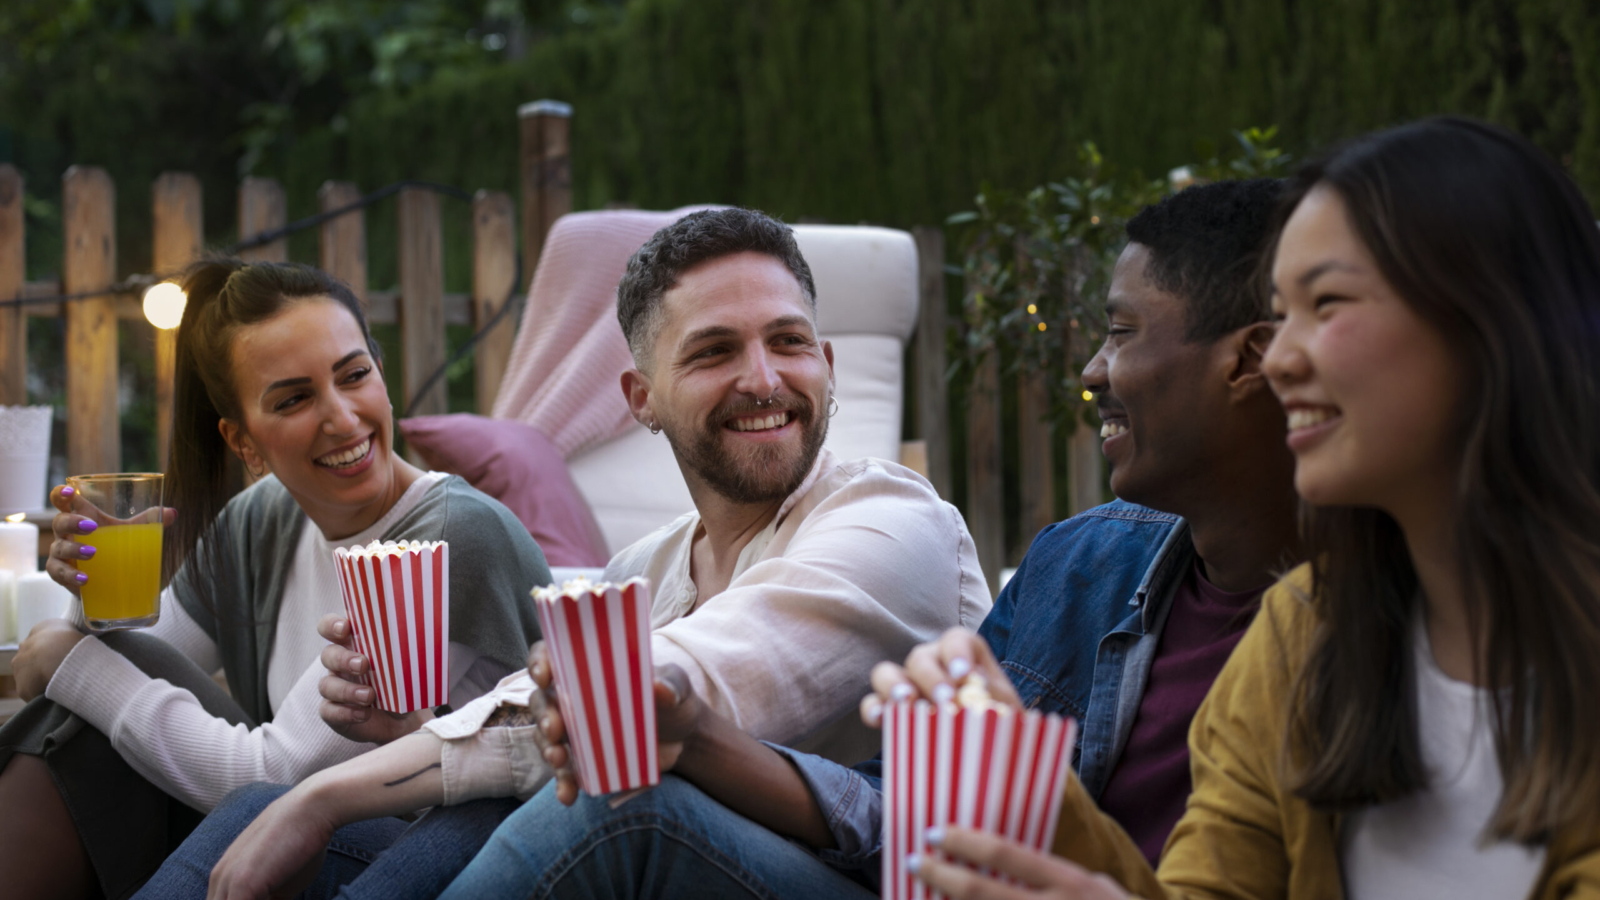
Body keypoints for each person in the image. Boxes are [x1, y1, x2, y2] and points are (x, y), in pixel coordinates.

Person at [429, 177, 1302, 899]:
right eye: (712, 353)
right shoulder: (1084, 563)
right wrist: (694, 736)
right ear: (639, 397)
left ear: (1252, 360)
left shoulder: (1350, 630)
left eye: (1118, 333)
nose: (1090, 371)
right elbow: (905, 817)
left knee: (618, 810)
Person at [140, 206, 991, 899]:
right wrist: (408, 734)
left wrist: (324, 795)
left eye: (791, 341)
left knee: (602, 797)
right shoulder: (646, 571)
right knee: (264, 805)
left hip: (884, 875)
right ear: (640, 398)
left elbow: (651, 699)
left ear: (830, 365)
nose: (764, 378)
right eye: (713, 351)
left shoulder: (892, 522)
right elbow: (545, 712)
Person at [898, 117, 1600, 900]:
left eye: (1326, 304)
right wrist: (1017, 768)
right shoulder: (1304, 632)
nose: (1283, 358)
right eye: (1280, 314)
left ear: (1490, 323)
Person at [0, 259, 550, 900]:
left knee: (242, 797)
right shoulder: (259, 521)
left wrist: (64, 658)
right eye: (294, 398)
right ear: (244, 443)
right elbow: (123, 668)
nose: (343, 417)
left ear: (381, 373)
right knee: (86, 733)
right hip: (281, 827)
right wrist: (88, 608)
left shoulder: (449, 538)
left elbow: (274, 773)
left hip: (429, 861)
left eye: (354, 375)